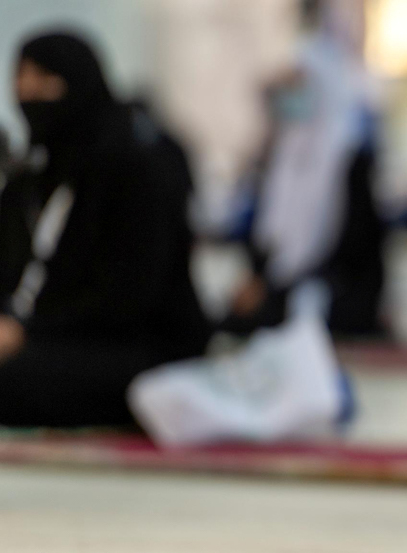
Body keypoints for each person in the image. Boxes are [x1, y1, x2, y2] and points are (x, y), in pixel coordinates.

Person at [0, 32, 211, 427]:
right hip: (41, 337)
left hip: (132, 346)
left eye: (44, 79)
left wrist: (28, 332)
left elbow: (127, 296)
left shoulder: (135, 170)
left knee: (15, 382)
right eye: (21, 77)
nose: (28, 91)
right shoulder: (32, 180)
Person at [223, 2, 387, 340]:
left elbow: (348, 252)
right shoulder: (285, 155)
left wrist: (278, 285)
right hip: (290, 286)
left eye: (299, 87)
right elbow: (266, 239)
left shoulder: (348, 162)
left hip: (332, 291)